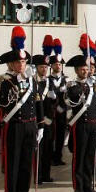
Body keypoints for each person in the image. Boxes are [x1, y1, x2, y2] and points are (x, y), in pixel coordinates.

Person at [0, 26, 43, 192]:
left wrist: (41, 125)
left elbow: (38, 103)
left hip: (30, 125)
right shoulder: (4, 81)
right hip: (14, 125)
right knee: (12, 164)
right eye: (17, 63)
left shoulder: (31, 81)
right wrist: (12, 86)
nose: (21, 65)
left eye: (23, 62)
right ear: (11, 64)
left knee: (25, 165)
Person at [65, 34, 96, 192]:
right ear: (76, 70)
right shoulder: (73, 85)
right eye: (82, 69)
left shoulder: (94, 84)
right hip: (80, 125)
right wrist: (85, 87)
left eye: (86, 68)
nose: (85, 70)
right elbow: (73, 98)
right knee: (79, 157)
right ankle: (78, 187)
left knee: (91, 156)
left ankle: (88, 185)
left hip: (93, 124)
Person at [34, 45, 55, 184]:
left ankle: (46, 174)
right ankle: (38, 176)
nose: (44, 69)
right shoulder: (33, 82)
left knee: (48, 148)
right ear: (36, 67)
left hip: (48, 120)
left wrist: (54, 98)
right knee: (38, 150)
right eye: (42, 67)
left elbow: (53, 103)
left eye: (46, 67)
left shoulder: (49, 82)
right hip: (36, 120)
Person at [48, 38, 69, 166]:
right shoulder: (48, 79)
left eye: (60, 64)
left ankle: (58, 156)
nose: (58, 66)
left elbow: (69, 97)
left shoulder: (66, 80)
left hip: (62, 112)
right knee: (50, 136)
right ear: (52, 66)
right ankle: (50, 156)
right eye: (56, 64)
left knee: (61, 135)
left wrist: (64, 105)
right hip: (51, 112)